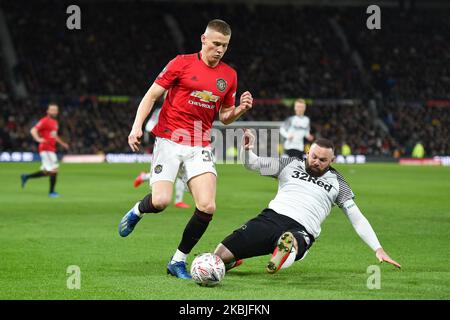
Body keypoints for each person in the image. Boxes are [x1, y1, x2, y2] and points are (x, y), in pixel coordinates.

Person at [118, 19, 253, 279]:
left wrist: (239, 110)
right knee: (160, 202)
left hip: (199, 144)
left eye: (224, 45)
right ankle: (138, 210)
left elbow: (224, 117)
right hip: (169, 140)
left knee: (207, 206)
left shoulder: (229, 76)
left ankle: (177, 261)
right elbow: (151, 95)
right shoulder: (180, 63)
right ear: (203, 39)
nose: (220, 50)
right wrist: (137, 127)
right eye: (216, 44)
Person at [214, 130, 401, 274]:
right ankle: (232, 260)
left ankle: (285, 250)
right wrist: (247, 150)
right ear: (307, 152)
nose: (316, 162)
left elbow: (357, 217)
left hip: (301, 228)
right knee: (218, 256)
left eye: (322, 160)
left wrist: (378, 249)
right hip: (270, 218)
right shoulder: (290, 164)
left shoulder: (338, 183)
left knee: (289, 242)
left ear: (332, 160)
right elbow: (252, 164)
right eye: (313, 157)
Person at [133, 106, 190, 209]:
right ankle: (179, 199)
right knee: (175, 171)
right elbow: (150, 126)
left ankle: (144, 177)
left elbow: (149, 126)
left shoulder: (176, 109)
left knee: (173, 171)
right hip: (167, 141)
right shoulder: (164, 110)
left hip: (178, 142)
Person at [21, 103, 69, 197]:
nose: (54, 111)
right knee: (54, 170)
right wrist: (38, 139)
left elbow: (54, 136)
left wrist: (63, 144)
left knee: (47, 172)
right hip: (46, 148)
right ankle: (51, 192)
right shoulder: (45, 120)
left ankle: (26, 176)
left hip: (51, 149)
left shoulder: (55, 123)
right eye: (52, 109)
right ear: (47, 111)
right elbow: (33, 130)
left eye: (56, 110)